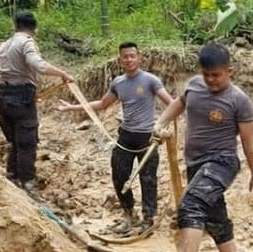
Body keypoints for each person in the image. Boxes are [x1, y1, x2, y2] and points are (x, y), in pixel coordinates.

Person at [153, 43, 253, 252]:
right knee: (215, 217)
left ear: (230, 71)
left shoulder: (238, 100)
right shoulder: (193, 85)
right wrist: (161, 122)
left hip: (222, 162)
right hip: (196, 163)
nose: (211, 80)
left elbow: (249, 143)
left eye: (217, 75)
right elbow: (179, 103)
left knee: (191, 206)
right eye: (207, 75)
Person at [57, 42, 174, 232]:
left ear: (139, 58)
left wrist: (162, 128)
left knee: (148, 179)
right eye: (125, 56)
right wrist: (72, 107)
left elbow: (172, 104)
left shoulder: (151, 80)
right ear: (120, 60)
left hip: (147, 138)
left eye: (132, 56)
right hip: (125, 136)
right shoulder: (118, 82)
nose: (128, 59)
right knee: (119, 176)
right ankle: (129, 214)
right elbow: (103, 104)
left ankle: (148, 219)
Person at [0, 11, 74, 198]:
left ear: (15, 26)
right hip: (20, 98)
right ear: (35, 29)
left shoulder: (4, 45)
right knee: (27, 142)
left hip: (3, 97)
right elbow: (38, 65)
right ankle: (27, 184)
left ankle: (12, 176)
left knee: (15, 140)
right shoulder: (26, 42)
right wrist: (62, 74)